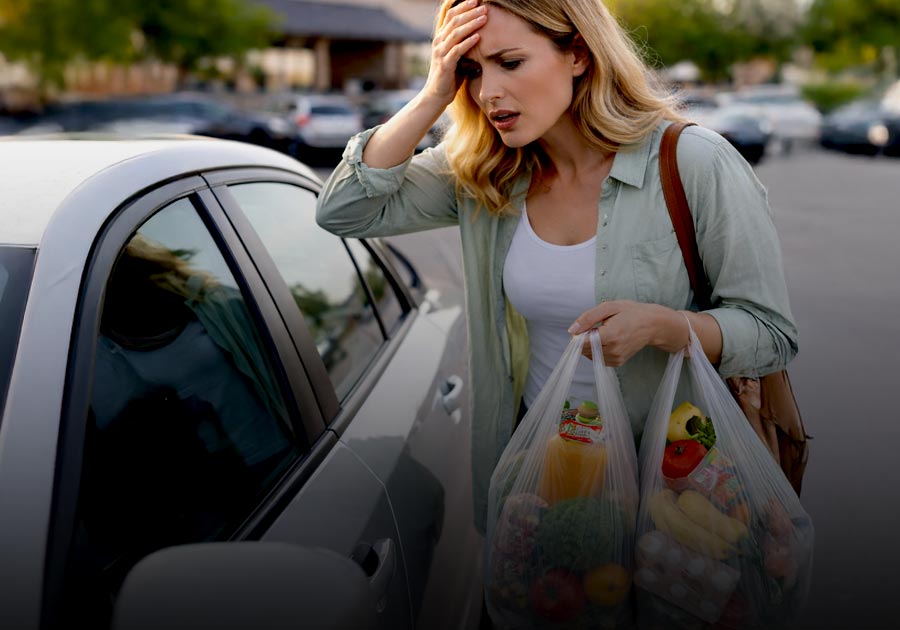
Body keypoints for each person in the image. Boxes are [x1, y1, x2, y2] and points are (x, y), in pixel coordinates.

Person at [315, 0, 797, 537]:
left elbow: (771, 332)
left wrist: (666, 327)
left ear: (578, 54)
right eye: (471, 71)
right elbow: (344, 209)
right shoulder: (484, 175)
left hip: (682, 495)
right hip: (543, 491)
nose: (486, 92)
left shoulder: (694, 161)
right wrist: (433, 92)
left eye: (510, 62)